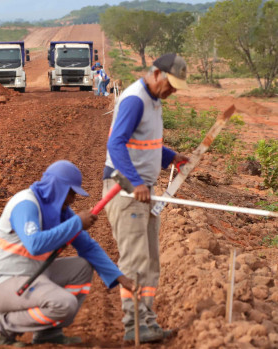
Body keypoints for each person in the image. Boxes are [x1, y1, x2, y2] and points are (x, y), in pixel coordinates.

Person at [0, 160, 138, 347]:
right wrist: (76, 223)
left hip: (28, 274)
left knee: (82, 267)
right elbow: (35, 244)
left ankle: (48, 333)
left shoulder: (61, 211)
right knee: (64, 304)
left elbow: (88, 247)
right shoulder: (25, 204)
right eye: (70, 193)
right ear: (56, 187)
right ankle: (2, 326)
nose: (72, 200)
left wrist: (120, 278)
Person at [102, 53, 189, 343]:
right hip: (125, 190)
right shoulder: (135, 99)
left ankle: (147, 320)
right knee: (136, 260)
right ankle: (134, 325)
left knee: (151, 260)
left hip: (144, 191)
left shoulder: (155, 102)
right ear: (155, 74)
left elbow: (147, 144)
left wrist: (171, 156)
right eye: (170, 84)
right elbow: (116, 142)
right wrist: (135, 181)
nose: (173, 90)